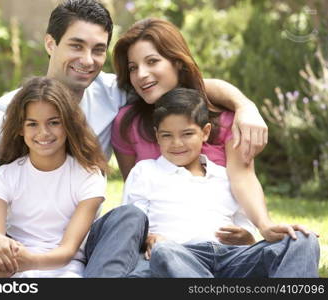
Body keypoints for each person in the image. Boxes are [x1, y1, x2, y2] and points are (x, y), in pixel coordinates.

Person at [0, 0, 267, 278]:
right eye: (76, 45)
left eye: (98, 50)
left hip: (88, 241)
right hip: (22, 242)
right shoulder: (2, 113)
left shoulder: (112, 93)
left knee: (129, 218)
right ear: (50, 43)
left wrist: (244, 104)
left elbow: (182, 85)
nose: (87, 60)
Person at [123, 88, 320, 278]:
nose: (177, 143)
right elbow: (131, 227)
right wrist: (150, 239)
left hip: (231, 259)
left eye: (187, 134)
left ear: (205, 132)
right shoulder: (145, 171)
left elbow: (246, 230)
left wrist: (246, 238)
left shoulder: (225, 176)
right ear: (157, 135)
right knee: (164, 251)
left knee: (303, 240)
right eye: (167, 135)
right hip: (181, 257)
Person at [111, 18, 273, 245]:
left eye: (152, 61)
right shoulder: (127, 124)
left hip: (221, 245)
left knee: (300, 243)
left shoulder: (224, 119)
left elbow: (243, 178)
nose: (141, 75)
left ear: (177, 62)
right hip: (164, 246)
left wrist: (264, 226)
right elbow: (136, 197)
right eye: (133, 68)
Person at [0, 76, 107, 277]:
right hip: (10, 262)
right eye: (32, 124)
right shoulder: (5, 175)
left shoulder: (89, 176)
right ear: (20, 128)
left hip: (62, 268)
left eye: (54, 122)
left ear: (68, 125)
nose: (43, 133)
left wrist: (28, 262)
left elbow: (67, 252)